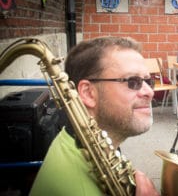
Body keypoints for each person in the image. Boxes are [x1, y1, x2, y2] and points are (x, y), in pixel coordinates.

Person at [29, 37, 160, 196]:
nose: (150, 92)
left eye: (148, 81)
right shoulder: (77, 190)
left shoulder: (77, 139)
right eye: (133, 81)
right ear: (88, 93)